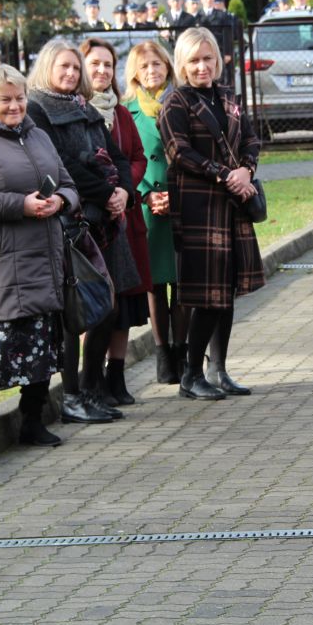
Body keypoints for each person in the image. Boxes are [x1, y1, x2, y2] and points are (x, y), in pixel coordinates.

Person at [0, 64, 80, 447]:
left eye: (20, 98)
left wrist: (61, 201)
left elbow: (69, 184)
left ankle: (32, 420)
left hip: (47, 253)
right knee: (13, 330)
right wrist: (19, 205)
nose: (14, 106)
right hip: (5, 256)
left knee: (46, 338)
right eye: (4, 99)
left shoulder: (38, 135)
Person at [27, 39, 140, 424]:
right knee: (74, 313)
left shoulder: (84, 106)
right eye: (64, 66)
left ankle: (93, 389)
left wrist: (124, 192)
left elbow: (118, 156)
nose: (71, 73)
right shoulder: (36, 109)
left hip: (105, 221)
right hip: (71, 223)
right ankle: (72, 396)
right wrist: (107, 193)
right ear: (47, 67)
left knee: (107, 307)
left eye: (75, 68)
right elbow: (59, 165)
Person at [157, 27, 265, 400]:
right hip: (199, 208)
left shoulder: (228, 96)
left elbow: (251, 138)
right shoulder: (175, 102)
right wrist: (225, 175)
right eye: (194, 60)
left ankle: (218, 370)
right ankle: (190, 375)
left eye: (208, 58)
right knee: (207, 295)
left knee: (227, 289)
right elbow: (179, 152)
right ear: (181, 63)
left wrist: (246, 170)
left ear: (217, 59)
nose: (202, 66)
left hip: (232, 205)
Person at [81, 37, 152, 407]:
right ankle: (89, 378)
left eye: (108, 64)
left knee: (124, 302)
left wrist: (125, 190)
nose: (102, 70)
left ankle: (117, 376)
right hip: (93, 222)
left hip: (125, 217)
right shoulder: (77, 112)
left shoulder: (121, 113)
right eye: (94, 63)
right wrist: (106, 194)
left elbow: (136, 157)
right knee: (96, 301)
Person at [125, 40, 188, 384]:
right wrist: (148, 195)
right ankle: (163, 355)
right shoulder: (127, 111)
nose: (152, 70)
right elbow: (125, 160)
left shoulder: (182, 102)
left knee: (181, 282)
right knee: (155, 284)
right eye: (144, 65)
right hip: (147, 206)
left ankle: (182, 352)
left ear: (168, 67)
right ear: (135, 72)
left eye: (157, 64)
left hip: (183, 202)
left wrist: (176, 194)